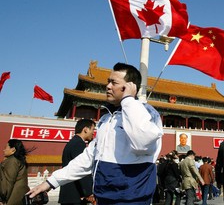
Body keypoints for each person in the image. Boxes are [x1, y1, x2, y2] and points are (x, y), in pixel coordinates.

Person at [27, 62, 163, 204]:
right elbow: (89, 157)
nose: (108, 86)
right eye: (108, 82)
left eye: (114, 82)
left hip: (130, 199)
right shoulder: (106, 119)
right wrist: (51, 182)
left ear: (129, 87)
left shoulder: (148, 113)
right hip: (103, 198)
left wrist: (128, 100)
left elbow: (142, 144)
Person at [59, 118, 96, 205]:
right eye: (93, 129)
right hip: (74, 194)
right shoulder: (78, 144)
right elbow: (81, 168)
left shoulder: (73, 142)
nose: (93, 133)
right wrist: (89, 192)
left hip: (70, 193)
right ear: (85, 129)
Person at [0, 139, 34, 205]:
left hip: (12, 199)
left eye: (6, 147)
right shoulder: (18, 160)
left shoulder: (12, 161)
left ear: (13, 149)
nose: (4, 150)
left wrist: (2, 199)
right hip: (19, 198)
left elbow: (8, 182)